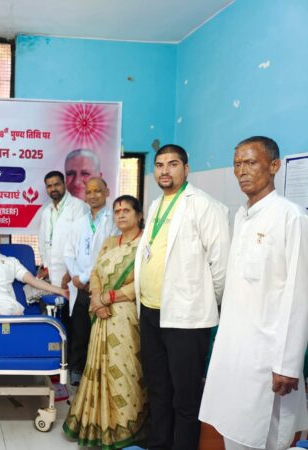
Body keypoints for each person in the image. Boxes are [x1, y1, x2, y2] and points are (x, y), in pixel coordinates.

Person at [200, 136, 308, 450]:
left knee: (264, 435)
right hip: (234, 350)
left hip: (267, 355)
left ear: (274, 166)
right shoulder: (242, 216)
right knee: (232, 427)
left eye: (251, 162)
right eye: (237, 164)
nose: (242, 171)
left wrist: (288, 363)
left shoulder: (291, 217)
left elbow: (299, 293)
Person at [134, 144, 230, 450]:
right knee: (158, 388)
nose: (165, 170)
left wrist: (202, 303)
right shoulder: (155, 206)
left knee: (185, 395)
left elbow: (221, 266)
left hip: (186, 318)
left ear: (186, 169)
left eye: (172, 164)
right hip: (151, 312)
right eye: (159, 165)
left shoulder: (204, 206)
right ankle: (159, 444)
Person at [64, 195, 147, 449]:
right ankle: (98, 425)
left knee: (125, 369)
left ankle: (125, 426)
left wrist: (109, 298)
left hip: (126, 316)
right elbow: (96, 273)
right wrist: (97, 299)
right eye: (117, 211)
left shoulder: (145, 244)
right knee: (98, 368)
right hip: (100, 315)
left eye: (126, 210)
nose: (121, 215)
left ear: (139, 215)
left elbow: (143, 281)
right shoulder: (110, 242)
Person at [63, 177, 118, 385]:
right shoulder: (79, 223)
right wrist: (76, 277)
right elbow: (68, 253)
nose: (93, 195)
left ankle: (100, 373)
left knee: (101, 331)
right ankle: (77, 370)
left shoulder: (114, 221)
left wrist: (85, 278)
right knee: (80, 330)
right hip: (81, 287)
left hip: (103, 285)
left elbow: (107, 254)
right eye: (89, 192)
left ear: (107, 192)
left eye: (97, 191)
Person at [37, 170, 88, 287]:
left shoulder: (78, 207)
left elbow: (83, 242)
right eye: (49, 186)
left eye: (57, 184)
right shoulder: (46, 211)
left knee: (72, 297)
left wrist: (71, 272)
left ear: (64, 184)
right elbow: (42, 241)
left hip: (73, 273)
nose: (53, 189)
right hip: (52, 272)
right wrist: (46, 266)